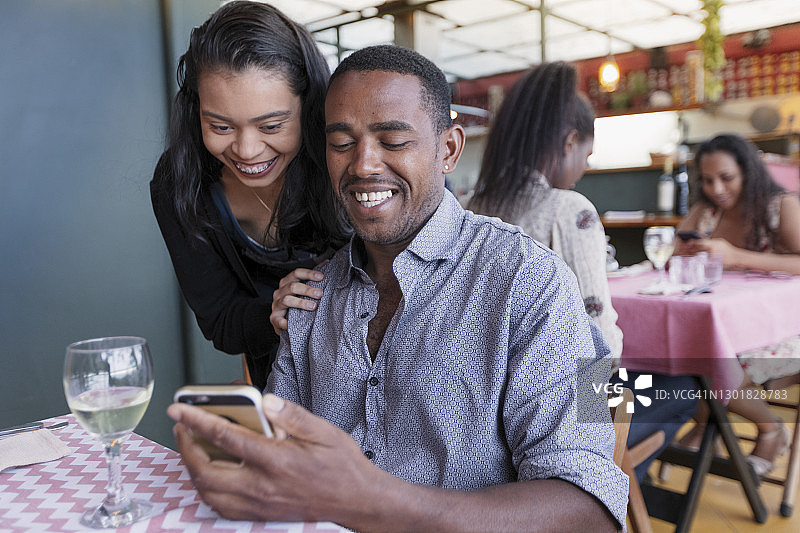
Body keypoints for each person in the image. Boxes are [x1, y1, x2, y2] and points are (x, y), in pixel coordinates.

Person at [168, 45, 627, 531]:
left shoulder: (536, 282)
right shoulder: (311, 297)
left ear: (448, 148)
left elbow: (591, 510)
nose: (363, 164)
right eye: (342, 143)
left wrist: (372, 500)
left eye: (392, 140)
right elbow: (285, 460)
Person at [464, 61, 696, 483]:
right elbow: (598, 342)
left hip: (477, 422)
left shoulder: (470, 208)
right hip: (548, 430)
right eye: (586, 157)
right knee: (684, 388)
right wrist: (600, 436)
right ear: (569, 142)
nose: (583, 169)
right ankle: (613, 491)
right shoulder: (570, 211)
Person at [150, 1, 350, 391]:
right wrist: (272, 313)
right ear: (196, 113)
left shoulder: (345, 156)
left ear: (308, 106)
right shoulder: (179, 183)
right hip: (280, 400)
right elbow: (221, 321)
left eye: (271, 125)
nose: (246, 149)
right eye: (221, 126)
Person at [675, 133, 800, 475]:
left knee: (709, 358)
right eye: (708, 180)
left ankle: (770, 427)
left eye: (726, 178)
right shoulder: (708, 212)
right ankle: (708, 426)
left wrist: (736, 257)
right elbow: (675, 251)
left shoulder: (781, 206)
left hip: (782, 327)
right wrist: (687, 249)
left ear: (748, 172)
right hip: (729, 321)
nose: (716, 188)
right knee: (684, 347)